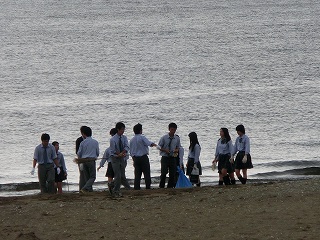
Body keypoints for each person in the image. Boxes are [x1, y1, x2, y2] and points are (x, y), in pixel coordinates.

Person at [129, 123, 157, 190]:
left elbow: (131, 151)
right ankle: (148, 187)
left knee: (137, 174)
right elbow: (149, 143)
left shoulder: (132, 140)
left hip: (135, 158)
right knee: (146, 173)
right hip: (143, 157)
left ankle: (136, 187)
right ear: (140, 130)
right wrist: (156, 145)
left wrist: (133, 158)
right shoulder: (142, 137)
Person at [109, 122, 131, 197]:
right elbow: (113, 150)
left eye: (124, 129)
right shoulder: (113, 139)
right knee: (117, 175)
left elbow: (127, 146)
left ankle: (112, 185)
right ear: (118, 129)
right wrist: (119, 154)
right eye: (122, 130)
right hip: (115, 158)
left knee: (122, 175)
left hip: (123, 158)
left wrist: (123, 152)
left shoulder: (124, 138)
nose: (123, 131)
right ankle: (116, 190)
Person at [158, 122, 181, 188]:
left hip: (172, 157)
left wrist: (176, 150)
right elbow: (158, 147)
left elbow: (178, 146)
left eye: (174, 130)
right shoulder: (164, 138)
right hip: (165, 157)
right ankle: (161, 186)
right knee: (163, 173)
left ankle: (170, 187)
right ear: (169, 129)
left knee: (172, 173)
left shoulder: (177, 138)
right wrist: (165, 150)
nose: (173, 131)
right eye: (172, 129)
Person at [77, 126, 99, 192]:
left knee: (87, 177)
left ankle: (88, 190)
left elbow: (79, 153)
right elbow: (97, 153)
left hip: (84, 160)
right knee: (92, 177)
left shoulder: (82, 142)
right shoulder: (95, 142)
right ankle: (84, 188)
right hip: (91, 160)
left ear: (84, 134)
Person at [97, 128, 118, 193]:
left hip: (112, 163)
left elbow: (104, 157)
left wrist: (101, 165)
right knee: (115, 176)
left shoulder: (109, 149)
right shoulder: (110, 149)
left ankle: (111, 187)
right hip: (113, 163)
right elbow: (105, 157)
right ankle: (112, 187)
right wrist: (100, 165)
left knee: (111, 176)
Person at [76, 126, 87, 191]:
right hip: (81, 160)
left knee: (87, 174)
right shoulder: (79, 140)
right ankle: (81, 188)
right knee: (82, 175)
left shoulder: (89, 140)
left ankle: (87, 188)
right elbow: (77, 152)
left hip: (88, 159)